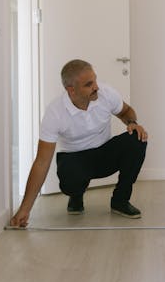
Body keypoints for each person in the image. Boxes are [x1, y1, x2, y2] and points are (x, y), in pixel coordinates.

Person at [10, 59, 148, 227]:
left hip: (105, 153)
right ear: (71, 90)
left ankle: (120, 200)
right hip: (75, 158)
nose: (96, 86)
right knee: (71, 180)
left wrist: (132, 122)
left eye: (95, 80)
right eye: (89, 84)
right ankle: (76, 195)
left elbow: (126, 111)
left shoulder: (106, 93)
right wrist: (25, 210)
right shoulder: (55, 112)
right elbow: (41, 162)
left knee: (137, 138)